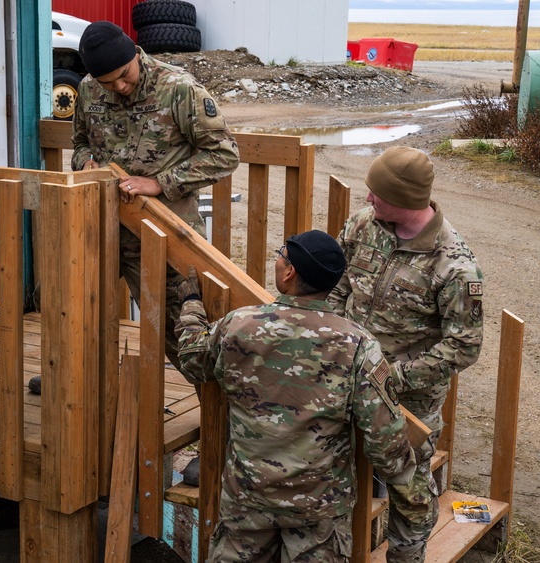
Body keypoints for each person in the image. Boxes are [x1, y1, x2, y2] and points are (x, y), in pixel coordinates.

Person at [174, 229, 433, 562]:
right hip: (319, 510)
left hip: (249, 500)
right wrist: (409, 533)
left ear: (289, 272)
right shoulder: (357, 345)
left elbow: (194, 360)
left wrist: (191, 307)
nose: (278, 259)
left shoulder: (240, 325)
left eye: (282, 253)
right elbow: (387, 442)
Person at [28, 21, 239, 411]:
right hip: (102, 226)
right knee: (66, 302)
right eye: (108, 83)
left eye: (124, 76)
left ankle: (219, 422)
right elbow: (79, 143)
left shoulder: (179, 88)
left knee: (184, 330)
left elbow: (224, 155)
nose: (119, 87)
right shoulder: (89, 90)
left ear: (134, 56)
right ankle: (67, 374)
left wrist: (160, 183)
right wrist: (85, 161)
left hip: (164, 232)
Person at [327, 146, 484, 562]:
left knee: (409, 490)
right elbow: (338, 286)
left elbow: (463, 347)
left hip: (406, 404)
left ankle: (406, 557)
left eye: (376, 193)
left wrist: (391, 377)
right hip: (345, 384)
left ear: (403, 200)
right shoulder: (364, 225)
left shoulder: (454, 265)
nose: (367, 199)